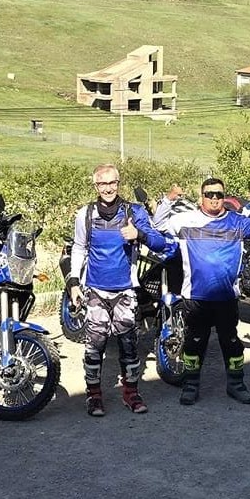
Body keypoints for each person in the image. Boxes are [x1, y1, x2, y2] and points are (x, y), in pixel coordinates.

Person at [67, 164, 175, 416]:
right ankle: (93, 396)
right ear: (95, 186)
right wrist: (73, 282)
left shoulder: (133, 212)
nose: (108, 188)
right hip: (95, 290)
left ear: (119, 183)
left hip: (125, 291)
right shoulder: (85, 214)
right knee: (94, 346)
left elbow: (160, 242)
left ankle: (131, 393)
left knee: (129, 345)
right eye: (102, 184)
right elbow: (79, 248)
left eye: (112, 182)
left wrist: (139, 234)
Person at [154, 178, 250, 405]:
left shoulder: (236, 221)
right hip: (197, 297)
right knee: (194, 343)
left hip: (226, 297)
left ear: (224, 196)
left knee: (231, 343)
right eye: (209, 194)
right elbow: (157, 224)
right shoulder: (186, 220)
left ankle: (236, 384)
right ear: (201, 197)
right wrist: (169, 199)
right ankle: (190, 386)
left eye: (219, 194)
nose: (214, 198)